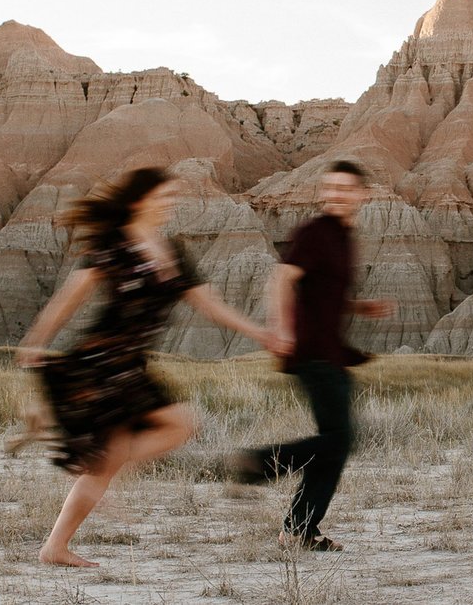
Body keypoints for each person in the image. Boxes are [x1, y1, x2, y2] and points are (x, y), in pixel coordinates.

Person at [16, 166, 278, 567]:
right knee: (176, 425)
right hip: (102, 361)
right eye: (163, 196)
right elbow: (69, 298)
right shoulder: (113, 244)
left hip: (131, 365)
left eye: (173, 196)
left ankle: (56, 544)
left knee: (169, 431)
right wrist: (36, 340)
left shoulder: (171, 252)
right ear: (139, 200)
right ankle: (61, 537)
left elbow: (209, 305)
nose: (170, 203)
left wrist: (257, 332)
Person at [228, 159, 393, 551]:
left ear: (362, 195)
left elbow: (323, 290)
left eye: (345, 188)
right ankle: (261, 463)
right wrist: (281, 327)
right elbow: (281, 278)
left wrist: (358, 307)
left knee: (335, 443)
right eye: (330, 187)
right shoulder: (315, 232)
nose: (336, 194)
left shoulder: (343, 238)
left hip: (330, 351)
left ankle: (299, 529)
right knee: (338, 441)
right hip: (312, 350)